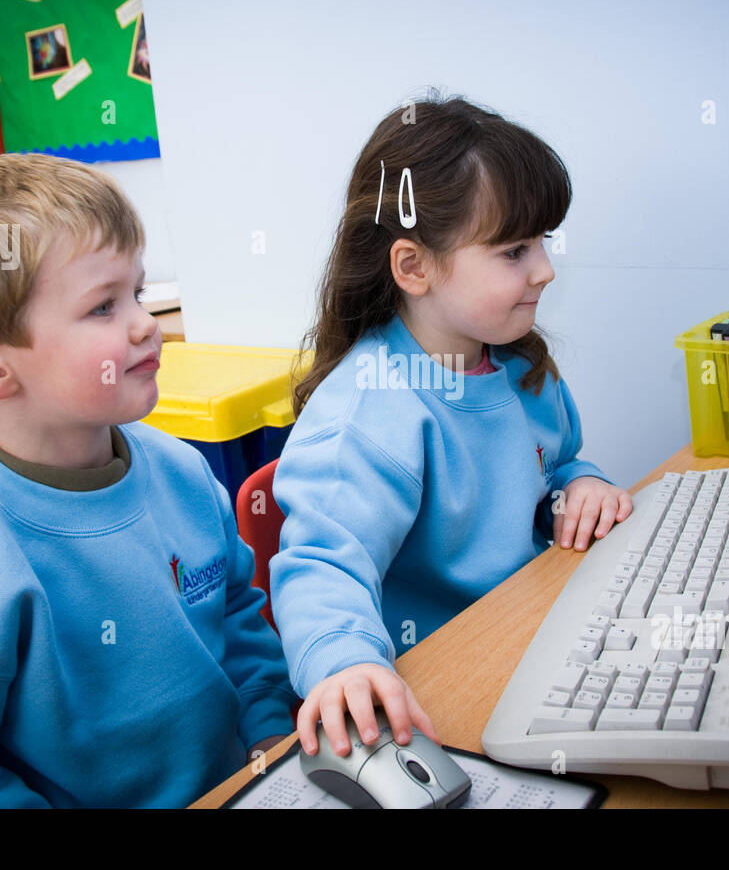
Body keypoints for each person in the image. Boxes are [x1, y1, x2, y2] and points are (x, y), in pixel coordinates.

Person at [0, 153, 295, 807]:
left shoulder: (181, 471)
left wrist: (267, 741)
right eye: (103, 307)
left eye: (137, 293)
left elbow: (237, 617)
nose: (146, 324)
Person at [270, 95, 632, 759]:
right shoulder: (370, 413)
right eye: (515, 250)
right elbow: (322, 563)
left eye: (543, 242)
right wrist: (345, 661)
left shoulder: (518, 362)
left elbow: (558, 466)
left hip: (531, 638)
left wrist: (582, 488)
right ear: (414, 267)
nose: (546, 270)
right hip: (436, 691)